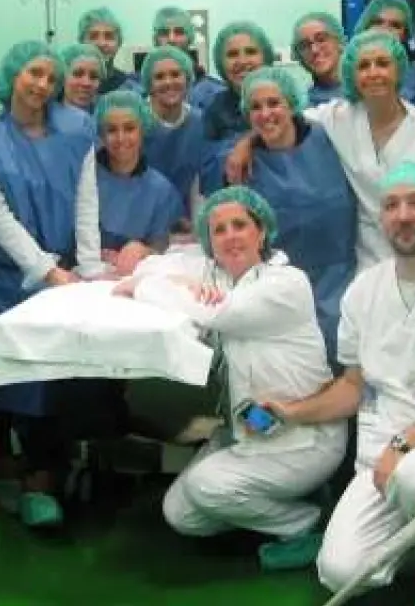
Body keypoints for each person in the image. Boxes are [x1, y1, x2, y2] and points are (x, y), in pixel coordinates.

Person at [267, 162, 415, 606]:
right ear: (380, 217)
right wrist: (293, 412)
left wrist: (404, 444)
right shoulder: (364, 291)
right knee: (339, 571)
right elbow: (353, 385)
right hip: (382, 463)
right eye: (392, 205)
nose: (403, 215)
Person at [113, 186, 345, 572]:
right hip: (253, 426)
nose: (230, 236)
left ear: (262, 231)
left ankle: (304, 523)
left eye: (240, 225)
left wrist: (146, 288)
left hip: (304, 437)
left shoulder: (286, 284)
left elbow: (221, 314)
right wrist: (170, 277)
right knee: (181, 515)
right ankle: (272, 501)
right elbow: (163, 265)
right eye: (219, 230)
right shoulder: (223, 278)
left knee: (205, 486)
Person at [0, 40, 108, 529]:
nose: (42, 85)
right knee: (3, 372)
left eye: (51, 78)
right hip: (6, 273)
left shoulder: (76, 130)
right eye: (33, 73)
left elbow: (86, 201)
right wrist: (44, 270)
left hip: (65, 274)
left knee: (49, 380)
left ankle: (41, 475)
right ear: (12, 74)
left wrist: (88, 269)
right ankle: (5, 464)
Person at [227, 30, 415, 271]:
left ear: (398, 70)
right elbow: (283, 117)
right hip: (372, 257)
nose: (373, 73)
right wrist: (246, 142)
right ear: (352, 74)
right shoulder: (338, 117)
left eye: (383, 64)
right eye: (363, 66)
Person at [238, 66, 356, 364]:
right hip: (279, 282)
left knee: (339, 350)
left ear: (292, 104)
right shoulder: (243, 164)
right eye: (256, 107)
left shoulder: (329, 137)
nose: (266, 113)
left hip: (338, 276)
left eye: (274, 103)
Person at [94, 91, 184, 276]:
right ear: (101, 135)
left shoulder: (161, 191)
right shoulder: (85, 180)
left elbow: (165, 250)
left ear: (143, 131)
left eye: (129, 129)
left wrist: (144, 251)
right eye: (112, 130)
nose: (121, 138)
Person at [201, 21, 273, 195]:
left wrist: (250, 140)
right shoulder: (216, 109)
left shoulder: (287, 100)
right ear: (221, 62)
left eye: (251, 52)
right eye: (232, 54)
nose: (242, 61)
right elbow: (209, 175)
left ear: (266, 57)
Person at [139, 45, 207, 218]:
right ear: (149, 84)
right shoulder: (135, 120)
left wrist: (196, 225)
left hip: (184, 218)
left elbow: (197, 183)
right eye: (159, 77)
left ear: (188, 79)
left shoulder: (199, 122)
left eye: (175, 74)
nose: (169, 82)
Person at [149, 6, 225, 110]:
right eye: (164, 33)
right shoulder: (137, 90)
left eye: (179, 32)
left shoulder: (215, 92)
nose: (171, 39)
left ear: (190, 38)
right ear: (155, 39)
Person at [290, 12, 345, 107]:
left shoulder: (362, 92)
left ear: (340, 43)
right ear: (298, 55)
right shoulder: (301, 106)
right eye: (304, 45)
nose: (314, 50)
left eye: (321, 39)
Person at [78, 7, 135, 94]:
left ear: (119, 43)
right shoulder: (69, 84)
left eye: (109, 36)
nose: (101, 44)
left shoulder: (128, 87)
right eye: (93, 36)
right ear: (81, 42)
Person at [59, 43, 105, 113]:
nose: (86, 83)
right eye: (77, 74)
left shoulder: (106, 116)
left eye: (94, 77)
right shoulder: (44, 115)